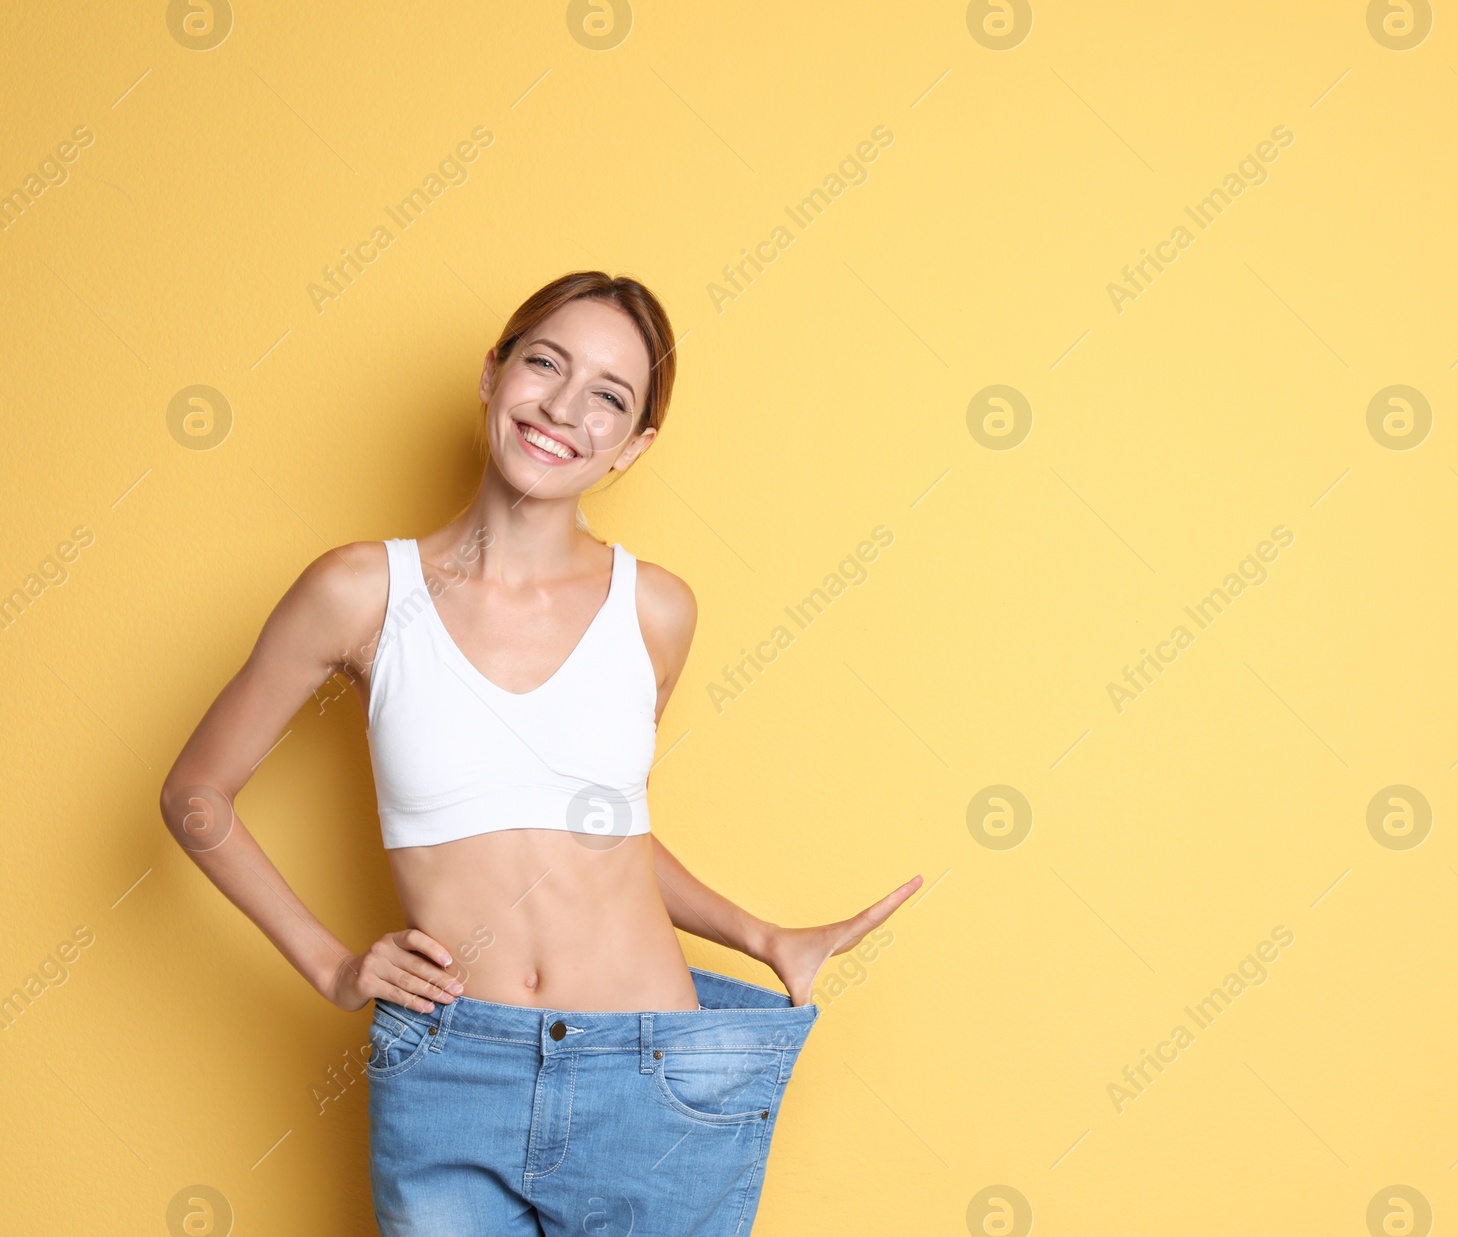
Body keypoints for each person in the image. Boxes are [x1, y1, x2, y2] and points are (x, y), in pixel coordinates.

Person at [159, 270, 920, 1235]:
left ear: (634, 446)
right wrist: (332, 966)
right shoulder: (360, 591)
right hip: (450, 1068)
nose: (564, 407)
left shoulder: (657, 611)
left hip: (654, 1076)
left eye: (609, 395)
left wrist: (761, 935)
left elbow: (604, 832)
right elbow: (196, 795)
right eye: (545, 362)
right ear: (493, 374)